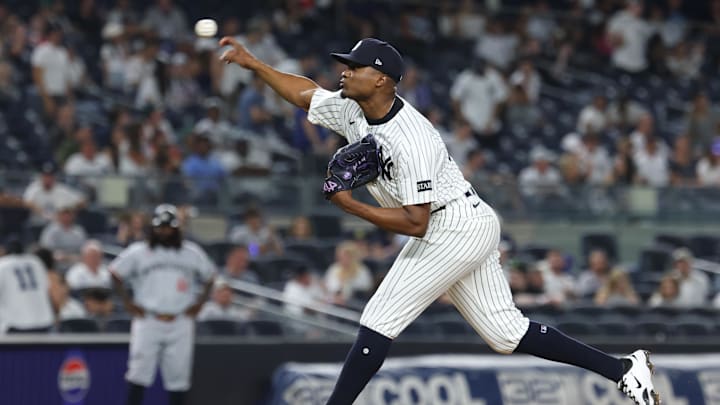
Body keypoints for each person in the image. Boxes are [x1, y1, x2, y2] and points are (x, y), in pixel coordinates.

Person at [219, 35, 659, 404]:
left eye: (354, 67)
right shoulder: (354, 107)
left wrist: (350, 206)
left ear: (382, 79)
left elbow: (416, 224)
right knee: (505, 333)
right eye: (346, 66)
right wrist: (252, 63)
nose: (345, 71)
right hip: (460, 220)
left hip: (453, 225)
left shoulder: (413, 139)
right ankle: (624, 369)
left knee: (380, 315)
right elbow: (304, 94)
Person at [110, 204, 216, 405]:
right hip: (148, 318)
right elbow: (115, 273)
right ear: (154, 228)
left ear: (176, 228)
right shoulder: (139, 251)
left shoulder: (191, 253)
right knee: (138, 374)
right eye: (161, 227)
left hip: (180, 320)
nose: (165, 231)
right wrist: (128, 303)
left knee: (179, 379)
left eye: (169, 227)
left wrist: (200, 303)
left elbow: (210, 276)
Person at [0, 238, 54, 333]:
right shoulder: (36, 261)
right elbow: (47, 288)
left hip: (17, 324)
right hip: (43, 321)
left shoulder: (2, 264)